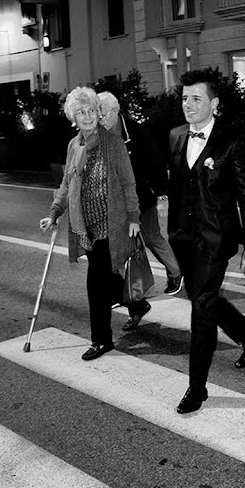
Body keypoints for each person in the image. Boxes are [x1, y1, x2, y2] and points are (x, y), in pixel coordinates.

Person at [166, 69, 245, 414]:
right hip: (183, 238)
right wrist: (170, 233)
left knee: (201, 308)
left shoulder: (232, 141)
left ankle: (197, 388)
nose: (189, 105)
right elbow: (177, 190)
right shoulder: (176, 136)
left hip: (216, 238)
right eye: (184, 99)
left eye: (196, 99)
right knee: (204, 300)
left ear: (214, 103)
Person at [39, 86, 140, 360]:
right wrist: (54, 212)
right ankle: (136, 303)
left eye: (91, 110)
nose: (87, 116)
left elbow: (129, 183)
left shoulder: (113, 143)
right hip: (86, 226)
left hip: (111, 221)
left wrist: (133, 217)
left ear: (98, 112)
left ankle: (101, 340)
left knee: (96, 283)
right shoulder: (74, 145)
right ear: (73, 116)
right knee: (107, 279)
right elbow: (66, 182)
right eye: (81, 112)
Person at [98, 92, 184, 332]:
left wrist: (159, 193)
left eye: (102, 114)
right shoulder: (98, 133)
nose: (99, 118)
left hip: (140, 198)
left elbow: (156, 163)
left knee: (151, 236)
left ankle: (175, 273)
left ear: (115, 112)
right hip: (112, 203)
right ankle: (129, 299)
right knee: (114, 250)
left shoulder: (136, 133)